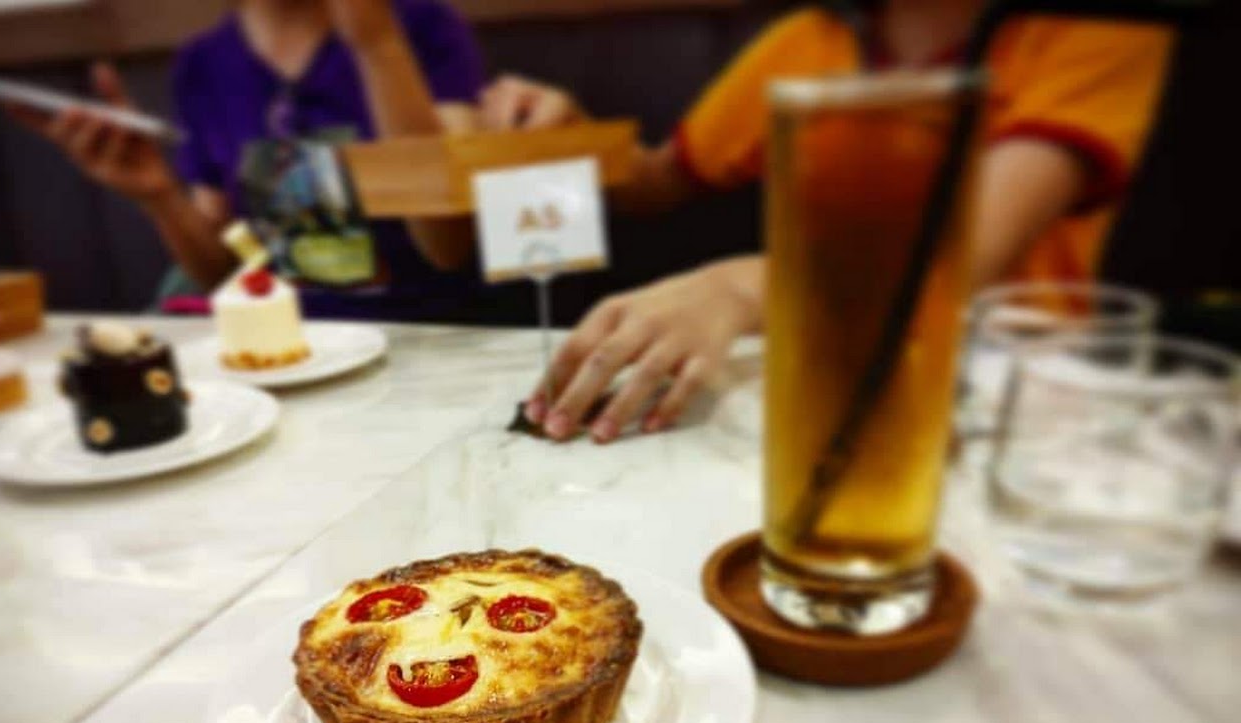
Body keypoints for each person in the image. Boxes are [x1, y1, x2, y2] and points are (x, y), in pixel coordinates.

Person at [483, 0, 1175, 443]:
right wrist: (573, 136)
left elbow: (960, 260)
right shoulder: (808, 39)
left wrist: (742, 288)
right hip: (824, 369)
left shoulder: (1098, 30)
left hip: (1024, 392)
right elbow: (663, 179)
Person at [4, 0, 485, 317]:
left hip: (430, 338)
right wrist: (160, 196)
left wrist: (376, 44)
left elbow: (447, 248)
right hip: (292, 350)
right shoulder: (203, 64)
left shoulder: (421, 25)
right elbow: (225, 274)